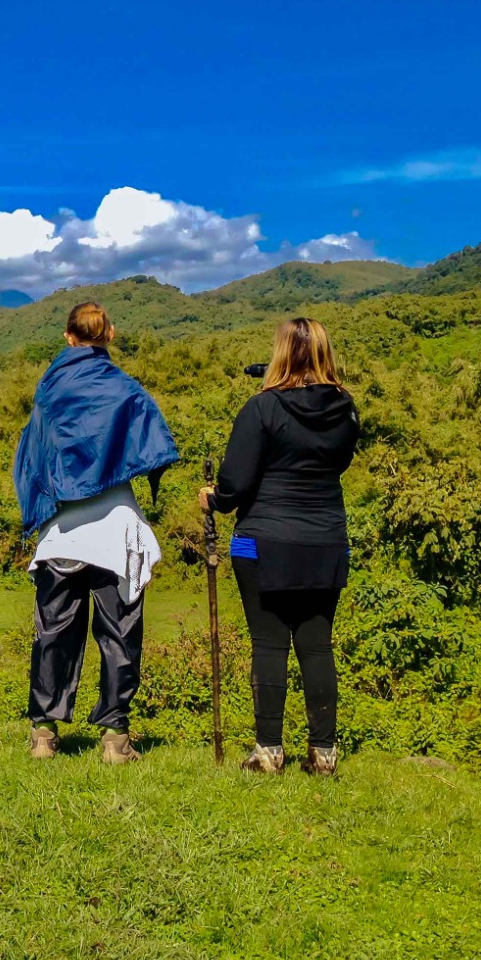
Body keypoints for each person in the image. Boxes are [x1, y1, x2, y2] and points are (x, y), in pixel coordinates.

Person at [12, 302, 179, 764]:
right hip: (115, 529)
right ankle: (115, 740)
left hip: (63, 531)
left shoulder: (49, 392)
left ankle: (44, 736)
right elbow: (152, 438)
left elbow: (34, 456)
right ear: (109, 335)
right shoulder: (125, 389)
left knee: (53, 633)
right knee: (120, 634)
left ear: (68, 337)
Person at [200, 317, 359, 776]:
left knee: (268, 644)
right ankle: (323, 754)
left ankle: (268, 750)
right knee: (317, 645)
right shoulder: (346, 409)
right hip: (326, 539)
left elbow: (235, 482)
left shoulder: (261, 408)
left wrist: (214, 498)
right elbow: (339, 465)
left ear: (281, 353)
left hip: (261, 540)